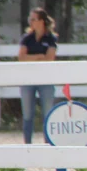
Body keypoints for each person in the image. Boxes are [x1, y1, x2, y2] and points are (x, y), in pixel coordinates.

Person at [18, 7, 58, 143]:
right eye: (31, 19)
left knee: (48, 114)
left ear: (41, 21)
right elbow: (21, 57)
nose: (31, 21)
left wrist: (32, 57)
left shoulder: (51, 38)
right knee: (28, 115)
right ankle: (27, 146)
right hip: (28, 79)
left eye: (34, 19)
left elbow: (50, 58)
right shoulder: (27, 38)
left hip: (46, 80)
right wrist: (39, 56)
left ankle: (47, 145)